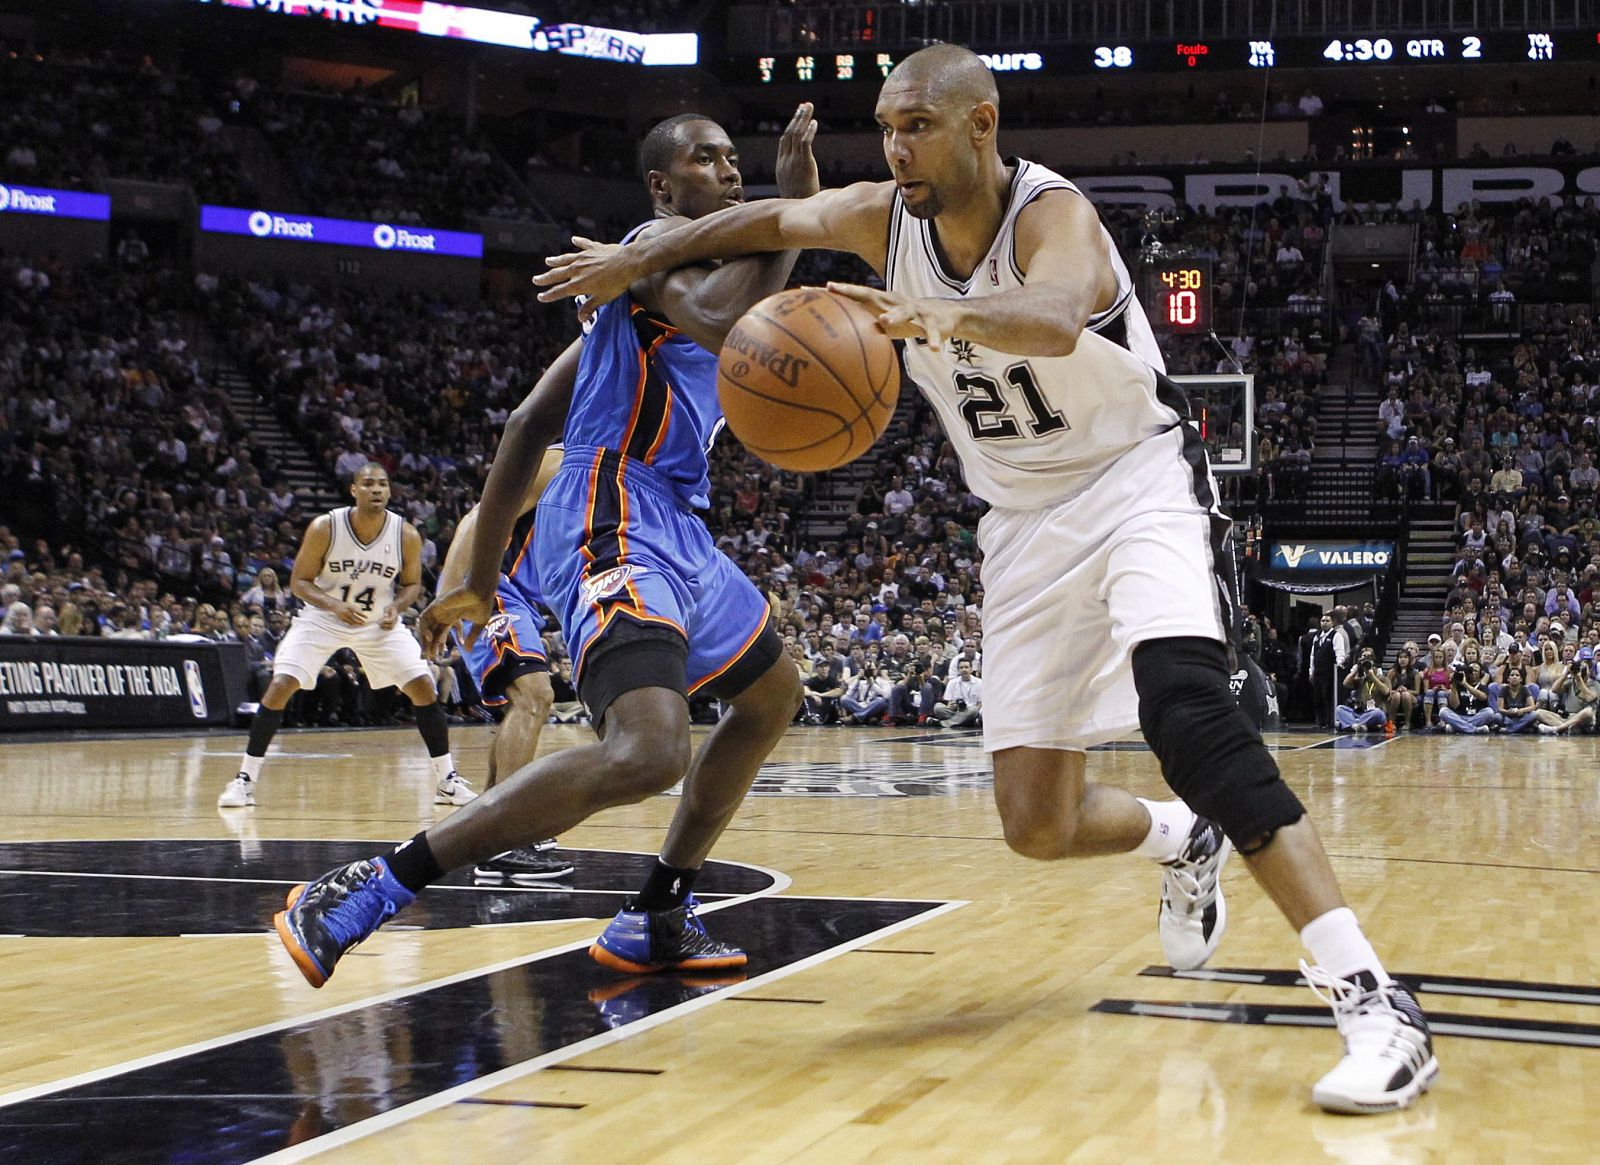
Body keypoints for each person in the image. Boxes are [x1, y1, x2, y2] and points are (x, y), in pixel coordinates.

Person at [535, 43, 1434, 1112]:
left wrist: (943, 316)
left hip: (1136, 478)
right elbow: (761, 224)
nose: (895, 146)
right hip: (1019, 522)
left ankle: (1370, 997)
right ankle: (1174, 834)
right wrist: (636, 259)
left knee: (1190, 715)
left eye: (916, 124)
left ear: (980, 124)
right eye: (884, 126)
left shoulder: (1055, 218)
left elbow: (1053, 317)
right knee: (1034, 823)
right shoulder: (882, 213)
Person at [274, 107, 821, 987]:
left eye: (734, 159)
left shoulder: (631, 294)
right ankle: (371, 884)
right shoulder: (651, 248)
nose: (728, 171)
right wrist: (792, 215)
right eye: (705, 158)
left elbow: (528, 423)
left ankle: (658, 911)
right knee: (648, 750)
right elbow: (725, 320)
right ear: (660, 185)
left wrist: (483, 581)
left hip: (675, 518)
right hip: (615, 509)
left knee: (771, 695)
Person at [217, 464, 474, 809]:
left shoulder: (406, 534)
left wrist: (396, 606)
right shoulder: (326, 527)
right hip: (322, 619)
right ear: (354, 490)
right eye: (368, 484)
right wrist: (334, 606)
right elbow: (299, 582)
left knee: (424, 686)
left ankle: (447, 780)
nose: (377, 490)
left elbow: (412, 585)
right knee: (281, 684)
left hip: (376, 624)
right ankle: (244, 780)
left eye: (383, 484)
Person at [432, 452, 575, 883]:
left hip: (522, 600)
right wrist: (449, 601)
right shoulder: (559, 461)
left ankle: (488, 826)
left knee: (522, 703)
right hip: (491, 588)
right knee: (534, 696)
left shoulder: (612, 469)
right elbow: (478, 519)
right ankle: (505, 837)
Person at [1336, 647, 1390, 732]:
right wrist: (1357, 668)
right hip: (1361, 712)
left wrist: (1373, 677)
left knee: (1378, 713)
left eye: (1369, 657)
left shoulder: (1383, 678)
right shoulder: (1361, 679)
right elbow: (1345, 683)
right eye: (1364, 656)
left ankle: (1349, 724)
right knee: (1339, 709)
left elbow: (1386, 691)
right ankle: (1359, 725)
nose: (1367, 659)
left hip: (1374, 712)